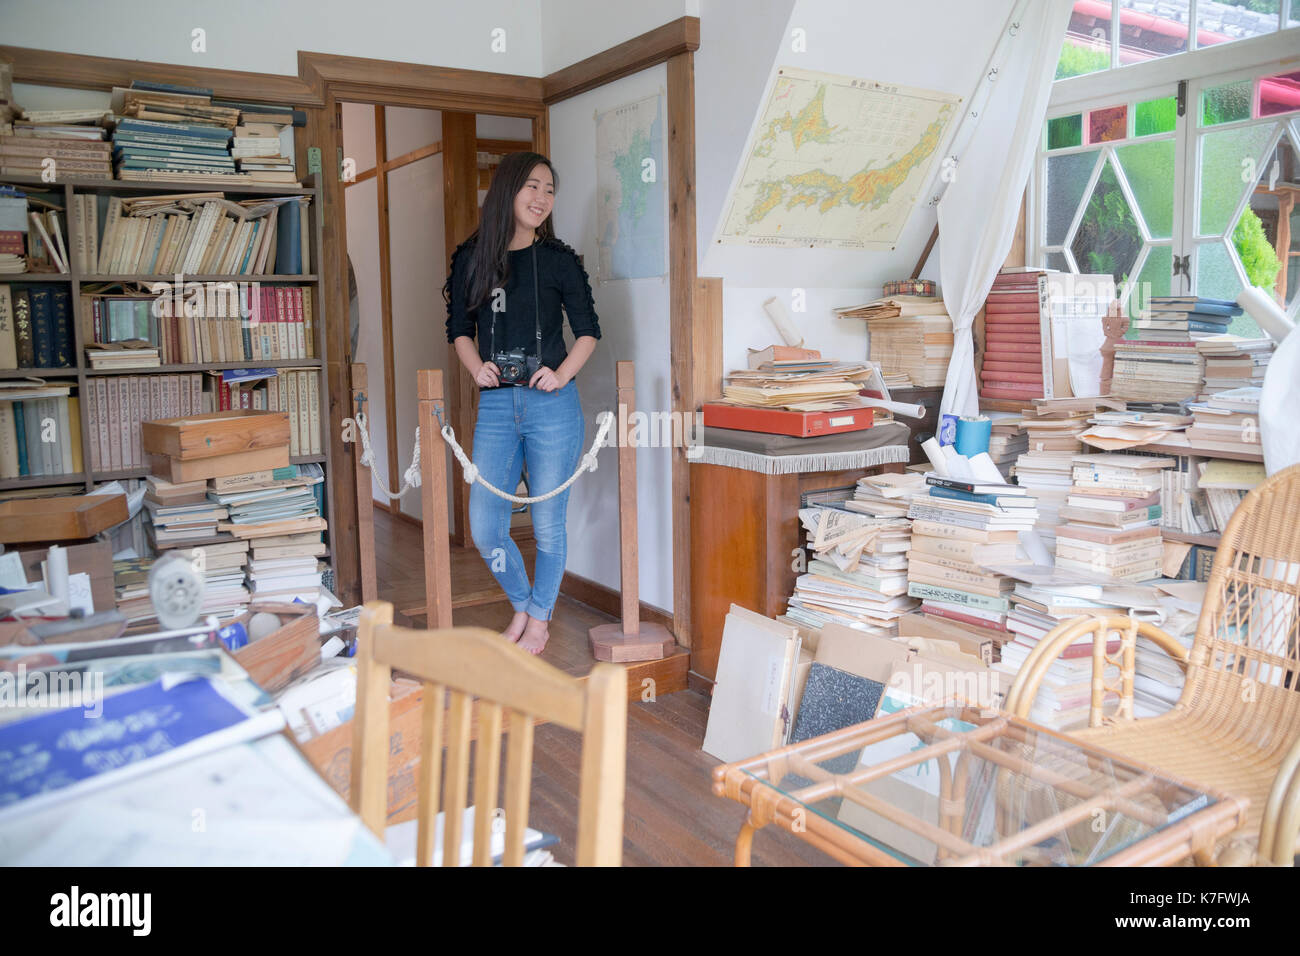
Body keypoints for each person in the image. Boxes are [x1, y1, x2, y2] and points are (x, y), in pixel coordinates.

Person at [444, 152, 600, 655]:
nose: (541, 198)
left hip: (551, 407)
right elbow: (459, 331)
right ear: (508, 190)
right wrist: (475, 368)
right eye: (532, 186)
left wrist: (559, 374)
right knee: (486, 524)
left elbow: (588, 332)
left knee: (547, 524)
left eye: (549, 190)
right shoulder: (472, 257)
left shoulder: (559, 260)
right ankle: (524, 602)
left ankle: (538, 619)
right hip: (495, 408)